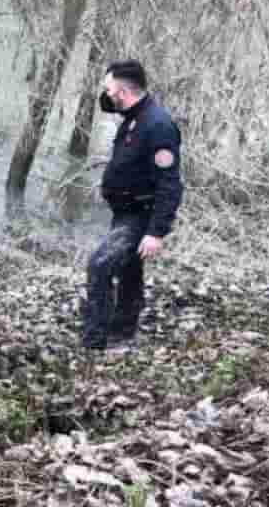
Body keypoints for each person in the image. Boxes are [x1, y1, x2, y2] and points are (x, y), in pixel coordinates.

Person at [81, 60, 183, 350]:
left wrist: (156, 232)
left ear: (123, 92)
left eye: (108, 89)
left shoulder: (158, 125)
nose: (106, 94)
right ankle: (123, 331)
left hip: (141, 214)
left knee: (100, 265)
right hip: (125, 211)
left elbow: (170, 183)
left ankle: (95, 340)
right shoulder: (134, 117)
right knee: (128, 270)